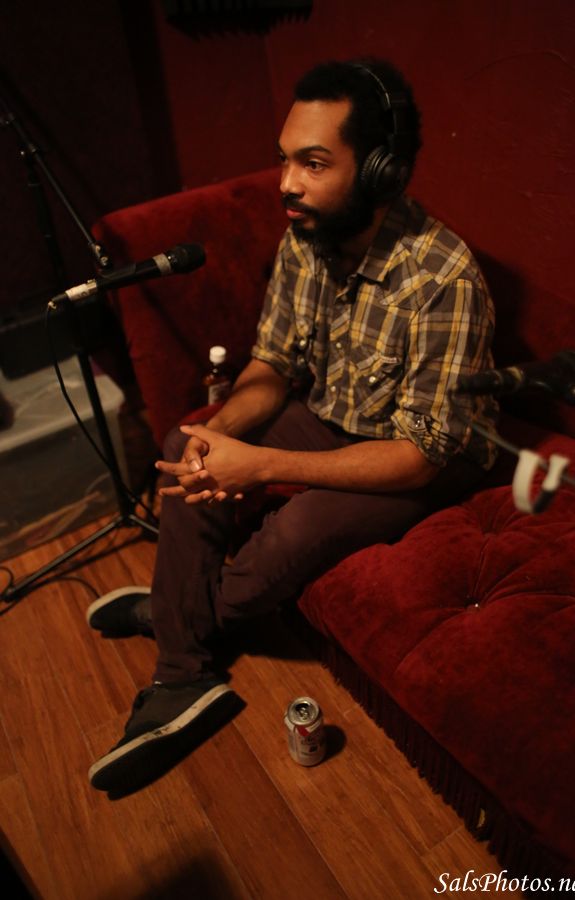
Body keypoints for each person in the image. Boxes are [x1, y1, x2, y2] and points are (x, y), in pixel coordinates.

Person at [86, 58, 498, 793]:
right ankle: (187, 671)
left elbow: (421, 455)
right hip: (334, 417)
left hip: (418, 458)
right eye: (284, 160)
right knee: (187, 442)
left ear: (379, 171)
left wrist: (262, 464)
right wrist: (220, 434)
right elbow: (274, 363)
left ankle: (178, 624)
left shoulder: (444, 278)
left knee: (296, 529)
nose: (286, 183)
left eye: (313, 163)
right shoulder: (306, 237)